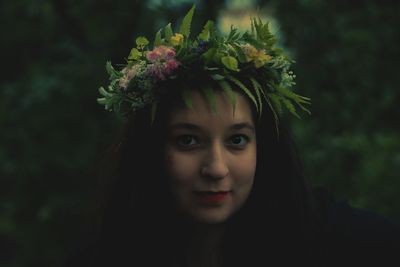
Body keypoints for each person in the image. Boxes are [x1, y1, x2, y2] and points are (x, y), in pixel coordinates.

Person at [66, 5, 400, 267]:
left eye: (237, 140)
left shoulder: (325, 237)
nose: (216, 168)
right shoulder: (104, 257)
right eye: (188, 140)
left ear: (263, 148)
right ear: (151, 150)